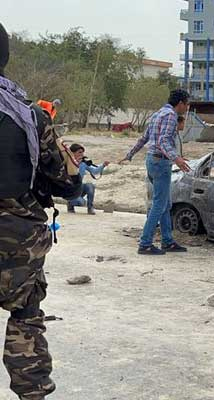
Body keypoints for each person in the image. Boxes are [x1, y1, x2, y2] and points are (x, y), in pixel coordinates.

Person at [0, 22, 71, 399]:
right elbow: (64, 180)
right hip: (18, 240)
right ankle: (32, 393)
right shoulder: (31, 116)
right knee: (25, 318)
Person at [119, 89, 192, 255]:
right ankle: (145, 243)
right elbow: (163, 140)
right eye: (187, 105)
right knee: (159, 204)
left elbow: (144, 138)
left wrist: (130, 155)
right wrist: (177, 158)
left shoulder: (157, 114)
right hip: (161, 162)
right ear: (180, 103)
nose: (187, 108)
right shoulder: (171, 116)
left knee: (165, 203)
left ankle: (168, 241)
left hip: (152, 160)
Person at [67, 143, 110, 215]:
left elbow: (95, 171)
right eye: (79, 152)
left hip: (79, 187)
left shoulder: (84, 163)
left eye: (82, 152)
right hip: (70, 189)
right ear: (72, 153)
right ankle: (70, 203)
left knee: (90, 186)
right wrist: (76, 163)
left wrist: (103, 165)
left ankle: (90, 208)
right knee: (81, 202)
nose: (82, 154)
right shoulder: (68, 162)